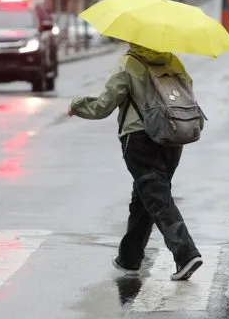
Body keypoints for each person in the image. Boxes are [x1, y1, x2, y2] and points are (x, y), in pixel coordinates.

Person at [68, 43, 203, 281]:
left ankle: (185, 253)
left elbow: (104, 106)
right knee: (144, 198)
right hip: (173, 137)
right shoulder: (173, 61)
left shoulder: (130, 64)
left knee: (157, 198)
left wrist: (77, 105)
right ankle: (129, 259)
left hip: (139, 139)